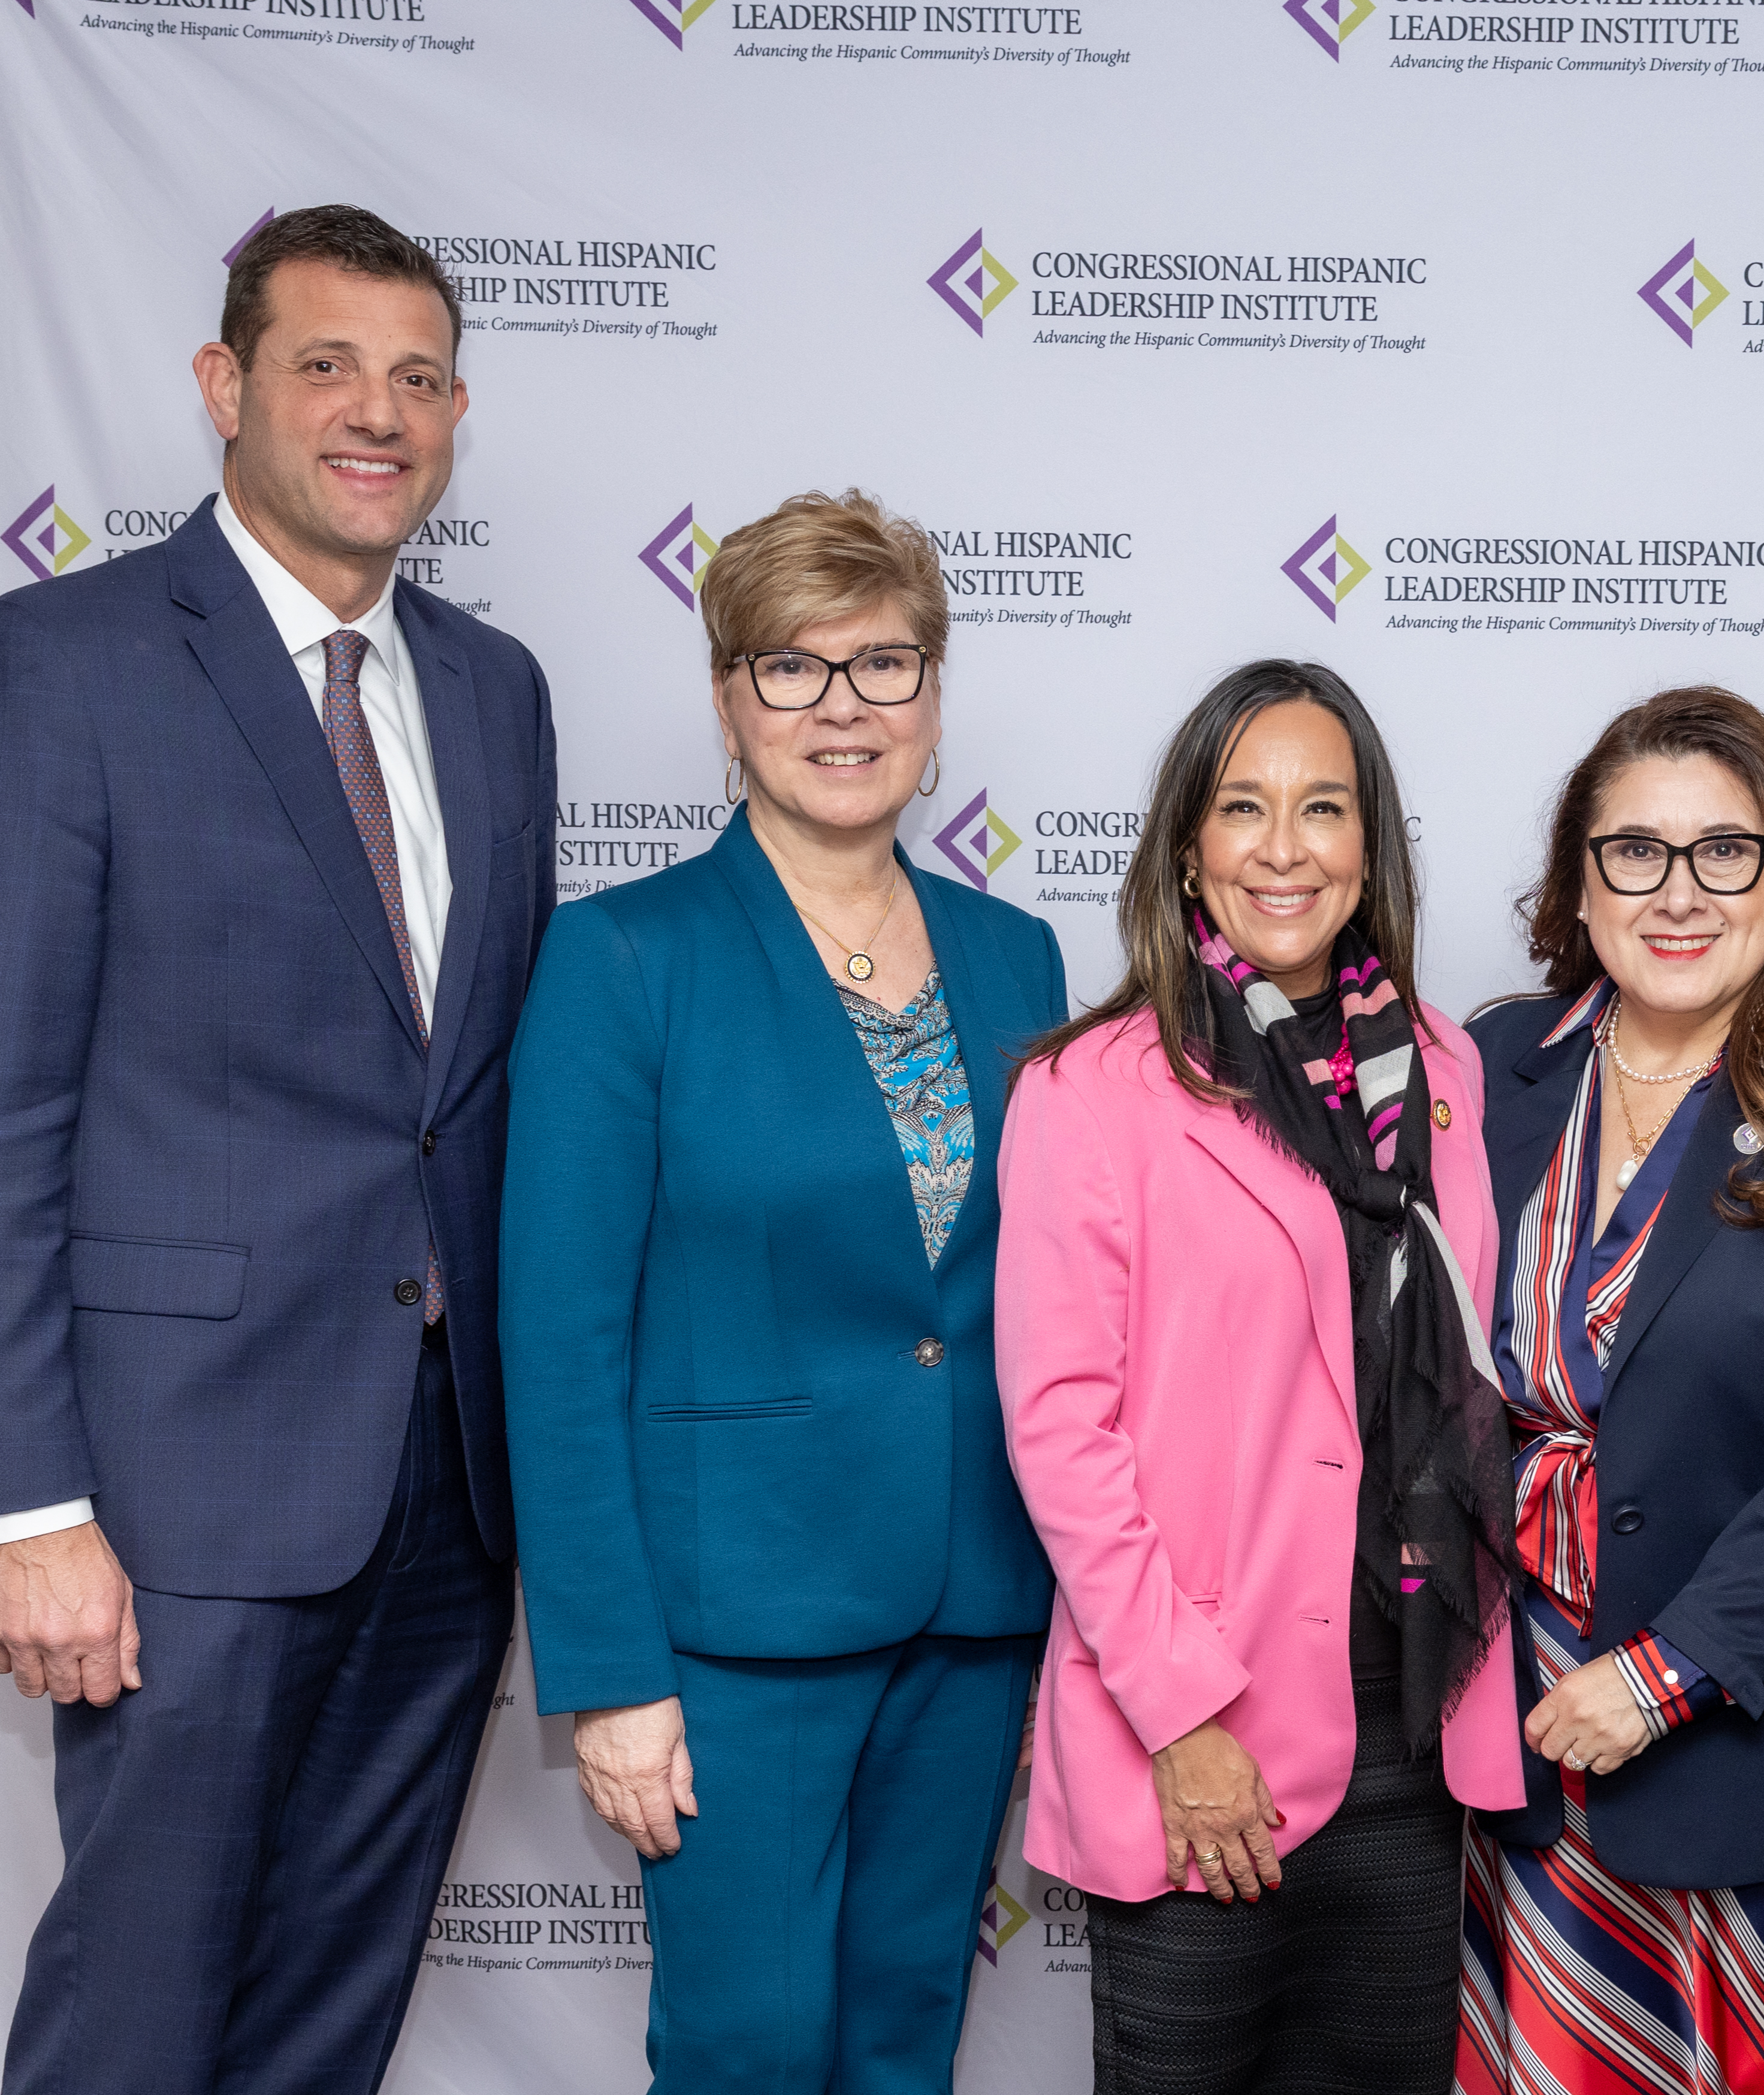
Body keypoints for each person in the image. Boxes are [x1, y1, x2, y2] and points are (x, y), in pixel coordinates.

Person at [0, 206, 555, 2091]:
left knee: (327, 2013)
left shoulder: (497, 695)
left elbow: (468, 1097)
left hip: (442, 1488)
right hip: (169, 1496)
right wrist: (24, 1509)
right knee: (139, 2010)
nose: (378, 412)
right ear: (223, 388)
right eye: (327, 364)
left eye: (418, 377)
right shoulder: (55, 666)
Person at [499, 490, 1065, 2089]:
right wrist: (607, 1678)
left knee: (904, 2037)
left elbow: (1031, 1299)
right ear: (727, 700)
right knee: (748, 2048)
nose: (843, 710)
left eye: (883, 667)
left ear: (934, 697)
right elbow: (556, 1341)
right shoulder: (624, 960)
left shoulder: (1013, 956)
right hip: (734, 1627)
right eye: (791, 669)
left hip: (970, 1604)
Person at [997, 660, 1525, 2093]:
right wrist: (1182, 1715)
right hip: (1204, 1720)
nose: (1284, 847)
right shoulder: (1092, 1086)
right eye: (1243, 808)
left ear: (1371, 848)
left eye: (1322, 808)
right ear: (1188, 849)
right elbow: (1061, 1431)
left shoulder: (1446, 1073)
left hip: (1410, 1715)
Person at [1457, 688, 1764, 2092]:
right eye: (1635, 851)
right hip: (1535, 1738)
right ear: (1579, 877)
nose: (1679, 893)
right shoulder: (1490, 1071)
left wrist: (1663, 1672)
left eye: (1724, 851)